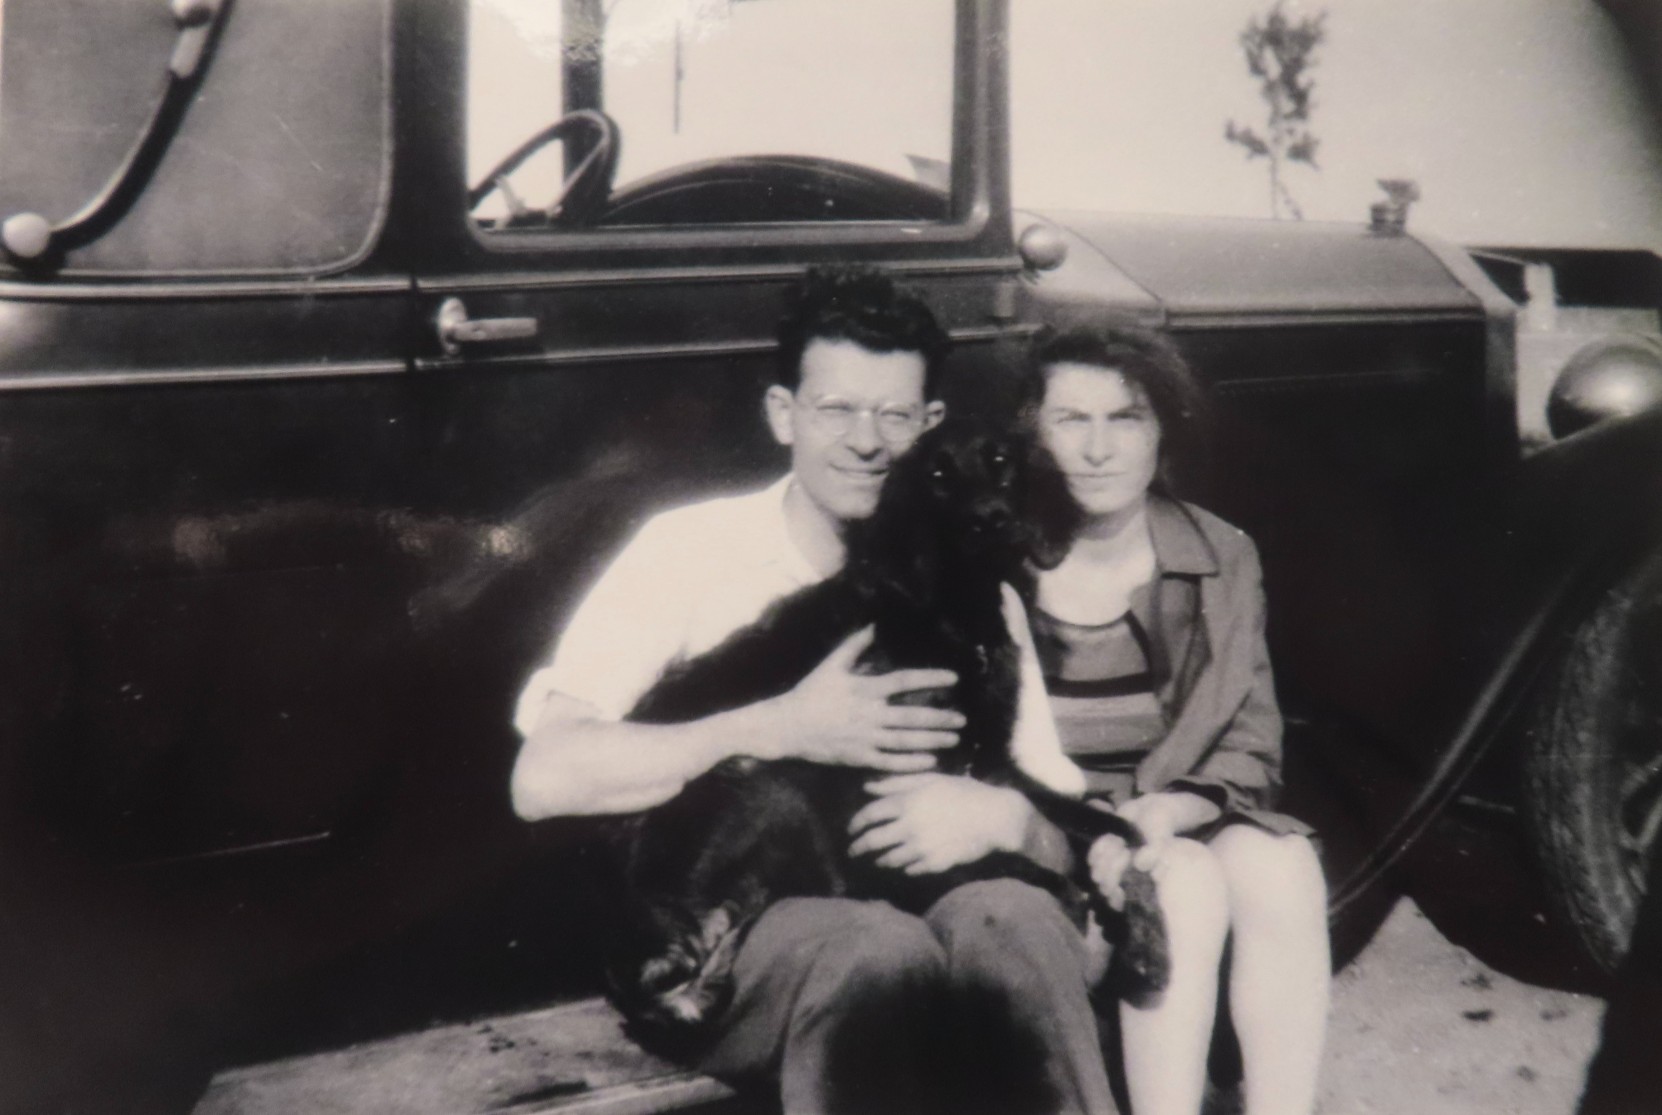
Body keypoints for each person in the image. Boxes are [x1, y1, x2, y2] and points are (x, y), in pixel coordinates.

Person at [509, 266, 1113, 1115]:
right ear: (783, 414)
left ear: (931, 428)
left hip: (920, 890)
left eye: (895, 415)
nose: (867, 441)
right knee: (877, 951)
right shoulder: (688, 548)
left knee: (1013, 917)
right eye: (835, 409)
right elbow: (544, 779)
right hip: (742, 929)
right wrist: (780, 724)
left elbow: (1048, 800)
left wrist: (1014, 821)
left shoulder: (977, 583)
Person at [1018, 324, 1331, 1115]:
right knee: (1182, 882)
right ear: (1033, 430)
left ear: (1162, 432)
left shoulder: (1222, 552)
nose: (1097, 448)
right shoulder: (998, 555)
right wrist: (1110, 832)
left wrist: (1165, 809)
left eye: (1125, 419)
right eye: (1070, 420)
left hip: (1172, 805)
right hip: (1053, 826)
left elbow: (1251, 743)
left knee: (1284, 866)